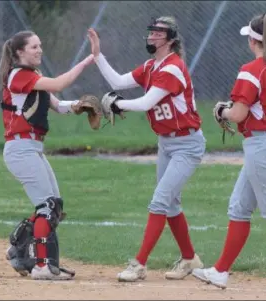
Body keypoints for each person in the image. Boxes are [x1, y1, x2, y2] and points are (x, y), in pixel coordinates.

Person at [191, 13, 266, 292]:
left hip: (263, 145)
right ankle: (220, 271)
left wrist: (222, 111)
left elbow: (239, 112)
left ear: (253, 40)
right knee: (239, 207)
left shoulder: (252, 69)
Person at [87, 16, 206, 282]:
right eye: (151, 32)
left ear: (171, 39)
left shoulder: (172, 67)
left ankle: (139, 264)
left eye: (158, 33)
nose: (151, 37)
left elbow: (145, 103)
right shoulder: (152, 66)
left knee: (160, 201)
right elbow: (117, 82)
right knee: (171, 204)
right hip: (167, 142)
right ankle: (189, 259)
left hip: (187, 144)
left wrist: (118, 105)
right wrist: (98, 56)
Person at [0, 30, 94, 280]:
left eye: (40, 45)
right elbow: (60, 83)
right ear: (20, 52)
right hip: (20, 149)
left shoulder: (34, 76)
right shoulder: (18, 76)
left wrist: (79, 106)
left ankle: (18, 248)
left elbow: (59, 105)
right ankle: (42, 266)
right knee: (47, 206)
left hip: (32, 149)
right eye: (33, 47)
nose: (39, 50)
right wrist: (87, 60)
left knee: (55, 207)